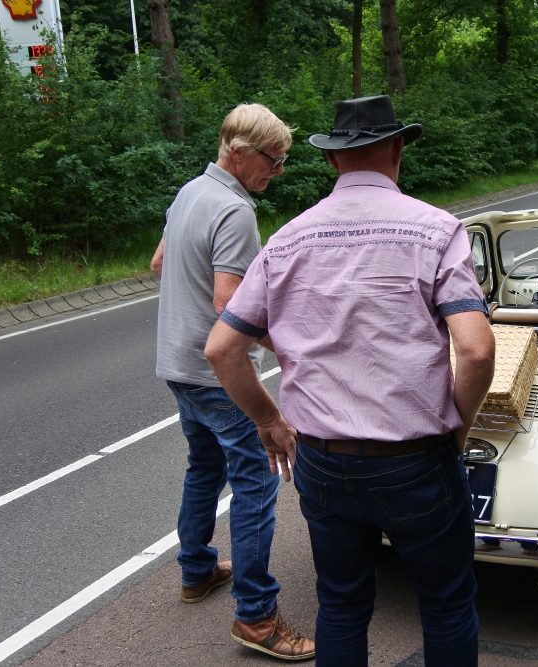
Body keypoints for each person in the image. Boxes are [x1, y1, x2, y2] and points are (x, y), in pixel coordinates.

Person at [203, 94, 496, 667]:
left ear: (334, 160)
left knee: (339, 605)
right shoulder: (436, 231)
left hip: (323, 462)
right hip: (416, 460)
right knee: (446, 604)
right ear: (396, 151)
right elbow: (478, 349)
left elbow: (222, 347)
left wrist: (268, 420)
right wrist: (456, 429)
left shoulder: (287, 239)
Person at [151, 103, 315, 660]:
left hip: (177, 365)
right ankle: (256, 616)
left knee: (204, 467)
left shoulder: (190, 192)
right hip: (213, 373)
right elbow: (230, 305)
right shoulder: (233, 210)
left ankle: (196, 570)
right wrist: (290, 347)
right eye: (274, 160)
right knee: (257, 484)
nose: (278, 171)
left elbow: (159, 264)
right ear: (239, 152)